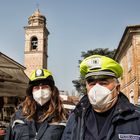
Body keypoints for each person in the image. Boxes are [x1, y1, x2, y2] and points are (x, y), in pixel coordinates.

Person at [61, 54, 140, 140]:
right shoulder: (76, 117)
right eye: (92, 83)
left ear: (117, 88)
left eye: (103, 83)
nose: (96, 88)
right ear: (86, 88)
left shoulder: (135, 117)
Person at [5, 68, 67, 140]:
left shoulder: (62, 119)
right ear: (31, 92)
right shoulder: (18, 117)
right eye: (36, 88)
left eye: (44, 87)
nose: (40, 91)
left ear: (52, 91)